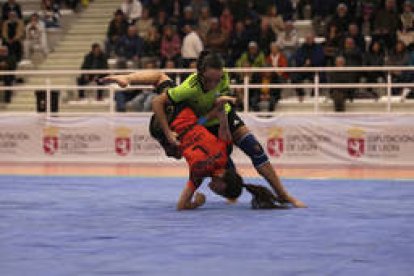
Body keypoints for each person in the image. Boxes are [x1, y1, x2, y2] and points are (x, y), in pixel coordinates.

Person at [103, 51, 306, 208]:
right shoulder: (189, 87)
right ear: (200, 74)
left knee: (254, 148)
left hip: (217, 117)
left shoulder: (223, 77)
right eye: (208, 80)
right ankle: (229, 189)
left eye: (217, 80)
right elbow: (158, 94)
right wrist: (129, 80)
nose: (213, 84)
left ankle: (283, 194)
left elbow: (221, 104)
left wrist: (222, 113)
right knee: (216, 157)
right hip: (199, 122)